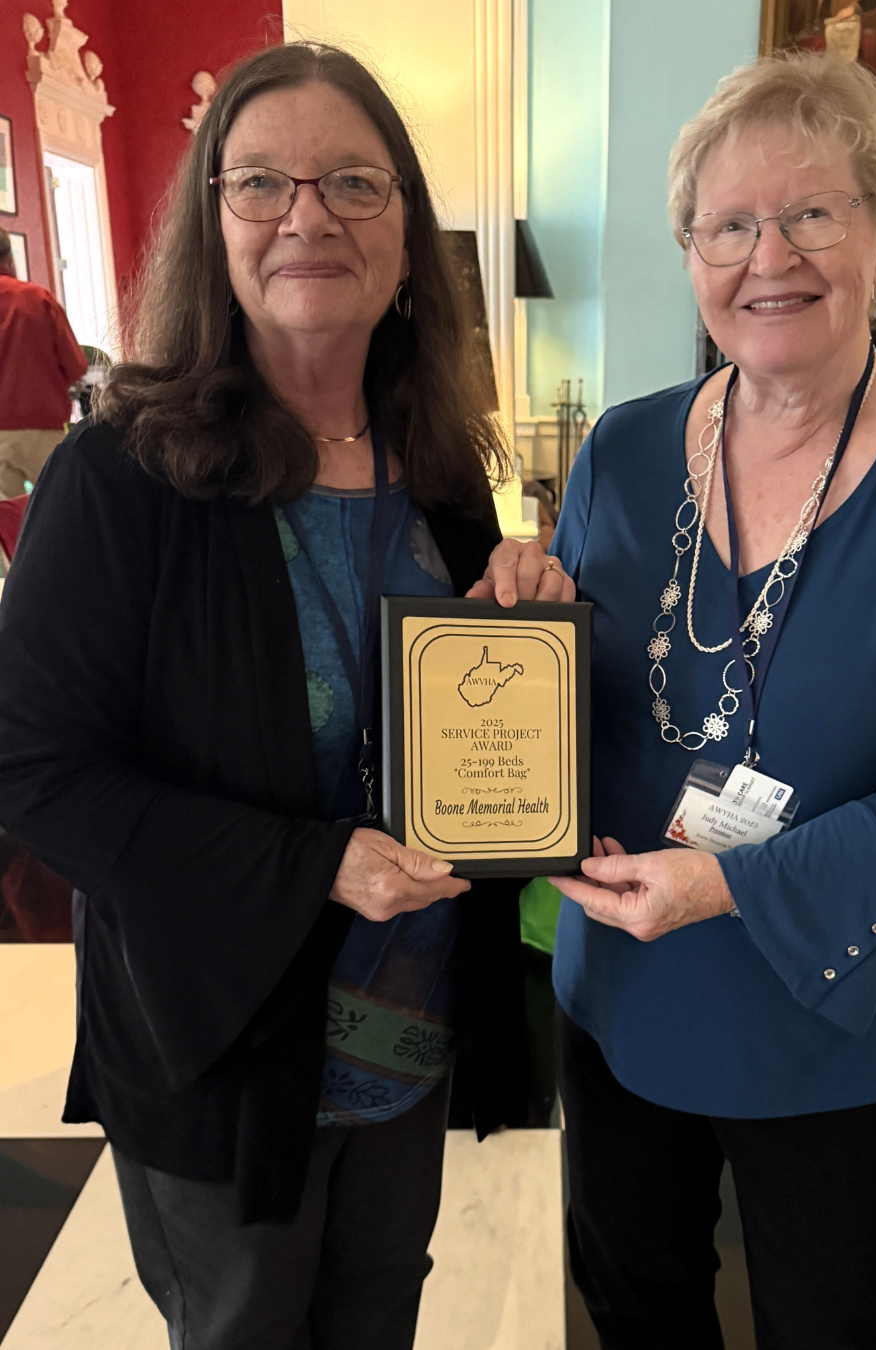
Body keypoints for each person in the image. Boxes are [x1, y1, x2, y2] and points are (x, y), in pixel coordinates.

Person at [470, 51, 876, 1348]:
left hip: (820, 1013)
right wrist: (518, 612)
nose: (767, 254)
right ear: (689, 249)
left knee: (832, 1321)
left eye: (811, 212)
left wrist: (726, 884)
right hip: (617, 982)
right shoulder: (623, 445)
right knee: (636, 1302)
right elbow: (583, 685)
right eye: (728, 223)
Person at [0, 42, 530, 1350]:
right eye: (262, 184)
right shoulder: (120, 479)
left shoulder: (444, 474)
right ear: (212, 222)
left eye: (354, 182)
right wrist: (316, 866)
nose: (309, 215)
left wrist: (526, 631)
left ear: (408, 235)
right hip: (220, 1044)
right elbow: (34, 773)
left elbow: (465, 730)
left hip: (409, 1035)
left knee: (375, 1325)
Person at [0, 226, 87, 498]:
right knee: (63, 507)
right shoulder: (38, 299)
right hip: (41, 426)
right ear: (10, 258)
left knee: (6, 524)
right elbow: (76, 365)